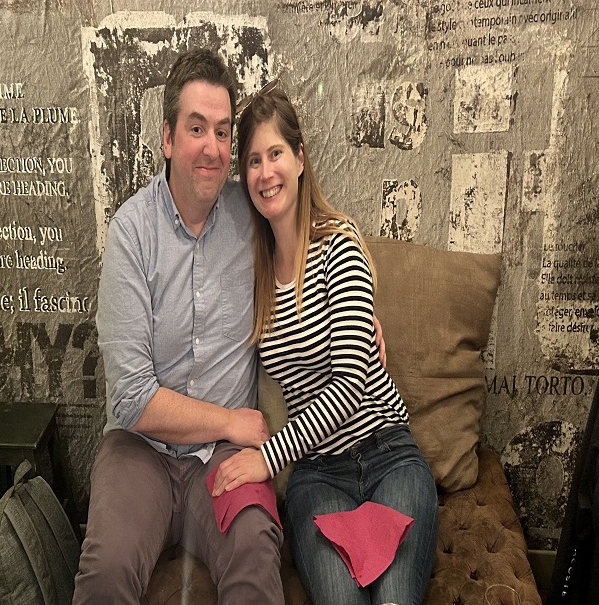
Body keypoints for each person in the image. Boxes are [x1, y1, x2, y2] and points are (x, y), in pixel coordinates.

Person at [212, 84, 439, 605]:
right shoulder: (253, 271)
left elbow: (352, 382)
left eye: (275, 154)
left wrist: (267, 458)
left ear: (300, 159)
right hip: (317, 478)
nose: (265, 172)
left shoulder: (339, 245)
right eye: (252, 161)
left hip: (388, 457)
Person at [72, 49, 285, 604]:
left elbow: (313, 226)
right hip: (140, 451)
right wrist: (231, 421)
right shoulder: (131, 233)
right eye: (196, 128)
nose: (212, 147)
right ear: (167, 138)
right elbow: (132, 399)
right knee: (106, 570)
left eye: (222, 131)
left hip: (222, 459)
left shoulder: (252, 214)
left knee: (257, 551)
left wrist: (363, 302)